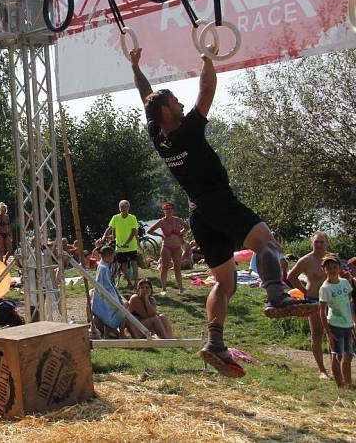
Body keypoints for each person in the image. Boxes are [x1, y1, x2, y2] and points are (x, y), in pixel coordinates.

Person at [129, 46, 317, 378]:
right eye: (176, 102)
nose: (182, 104)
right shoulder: (186, 131)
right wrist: (206, 56)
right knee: (268, 245)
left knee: (224, 283)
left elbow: (147, 97)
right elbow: (207, 90)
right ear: (169, 113)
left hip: (199, 216)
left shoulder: (159, 136)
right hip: (219, 203)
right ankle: (276, 295)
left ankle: (215, 342)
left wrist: (136, 65)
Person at [287, 232, 332, 380]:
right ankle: (322, 370)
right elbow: (291, 276)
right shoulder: (306, 260)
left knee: (333, 334)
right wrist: (304, 291)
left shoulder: (332, 258)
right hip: (313, 300)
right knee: (317, 334)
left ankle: (335, 368)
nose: (318, 245)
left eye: (321, 242)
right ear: (312, 243)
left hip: (332, 300)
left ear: (327, 243)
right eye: (316, 242)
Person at [319, 255, 354, 389]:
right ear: (324, 270)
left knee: (349, 355)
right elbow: (322, 311)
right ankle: (341, 385)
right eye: (329, 268)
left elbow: (349, 301)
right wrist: (328, 332)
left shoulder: (345, 283)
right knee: (337, 355)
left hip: (347, 324)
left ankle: (348, 383)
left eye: (334, 267)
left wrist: (352, 322)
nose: (332, 270)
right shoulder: (325, 288)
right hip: (334, 325)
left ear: (339, 268)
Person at [91, 246, 139, 338]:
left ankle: (112, 332)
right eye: (113, 256)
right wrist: (118, 299)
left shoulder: (103, 265)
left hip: (104, 296)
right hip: (105, 298)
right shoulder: (104, 268)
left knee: (123, 305)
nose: (113, 258)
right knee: (123, 307)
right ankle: (120, 333)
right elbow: (107, 287)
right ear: (108, 255)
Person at [148, 202, 190, 295]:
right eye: (166, 209)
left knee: (177, 269)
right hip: (166, 247)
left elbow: (187, 227)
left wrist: (181, 232)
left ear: (173, 210)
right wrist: (160, 235)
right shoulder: (162, 221)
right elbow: (149, 231)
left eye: (170, 209)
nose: (168, 211)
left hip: (177, 247)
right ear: (164, 211)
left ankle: (181, 288)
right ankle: (163, 289)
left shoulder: (177, 220)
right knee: (164, 268)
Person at [101, 200, 139, 289]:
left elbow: (134, 231)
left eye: (125, 206)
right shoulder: (115, 217)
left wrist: (127, 243)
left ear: (128, 208)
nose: (123, 208)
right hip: (120, 246)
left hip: (131, 245)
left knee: (134, 263)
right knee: (123, 265)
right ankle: (129, 282)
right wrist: (104, 237)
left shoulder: (132, 217)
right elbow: (109, 228)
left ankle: (136, 282)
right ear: (119, 208)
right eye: (121, 207)